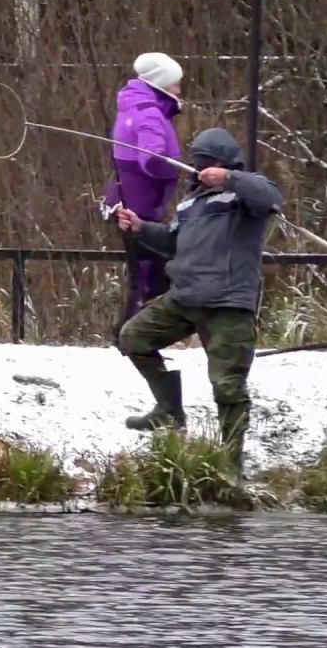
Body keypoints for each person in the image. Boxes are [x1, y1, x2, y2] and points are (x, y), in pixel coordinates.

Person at [113, 126, 284, 471]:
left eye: (211, 164)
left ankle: (229, 466)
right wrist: (141, 228)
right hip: (183, 297)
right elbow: (173, 243)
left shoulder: (243, 195)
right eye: (200, 164)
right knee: (134, 337)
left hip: (228, 303)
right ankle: (169, 411)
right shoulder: (189, 203)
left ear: (225, 164)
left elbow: (270, 197)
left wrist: (230, 178)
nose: (203, 169)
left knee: (228, 386)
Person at [102, 52, 186, 345]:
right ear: (162, 83)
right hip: (139, 208)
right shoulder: (149, 112)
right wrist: (180, 169)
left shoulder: (132, 105)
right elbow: (151, 158)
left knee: (147, 273)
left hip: (128, 201)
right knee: (150, 275)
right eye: (176, 84)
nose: (179, 90)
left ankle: (135, 335)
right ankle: (130, 338)